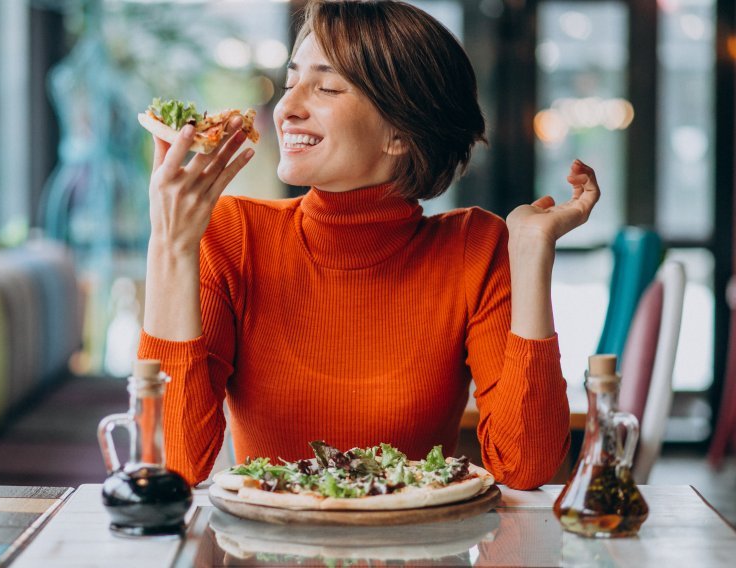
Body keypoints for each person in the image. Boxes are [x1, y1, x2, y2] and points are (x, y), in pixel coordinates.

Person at [138, 0, 600, 490]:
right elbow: (171, 468)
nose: (286, 109)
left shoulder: (475, 247)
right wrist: (171, 245)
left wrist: (529, 256)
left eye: (327, 87)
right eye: (291, 81)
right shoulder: (232, 234)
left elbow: (528, 466)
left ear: (400, 132)